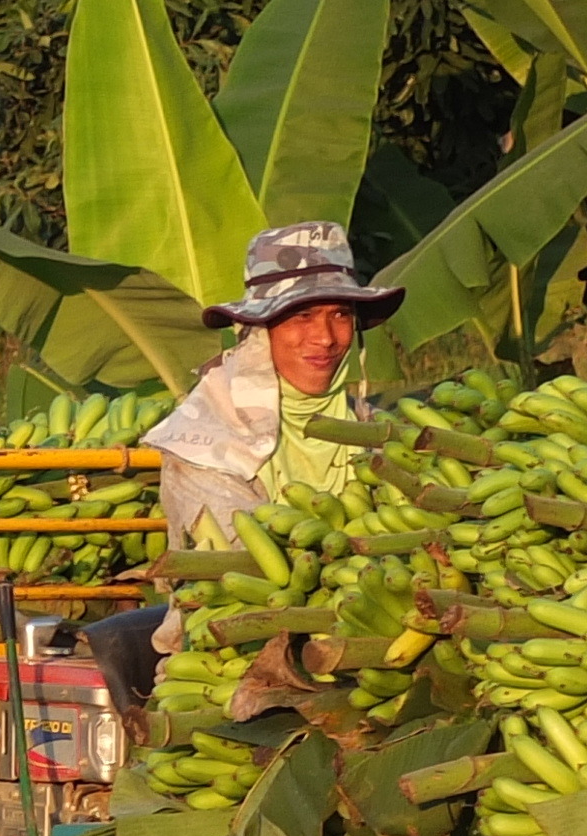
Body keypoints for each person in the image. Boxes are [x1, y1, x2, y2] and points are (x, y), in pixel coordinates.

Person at [83, 225, 405, 716]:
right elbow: (251, 574)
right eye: (300, 316)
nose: (324, 337)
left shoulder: (374, 429)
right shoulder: (205, 442)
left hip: (371, 662)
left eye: (340, 314)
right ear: (261, 331)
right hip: (232, 671)